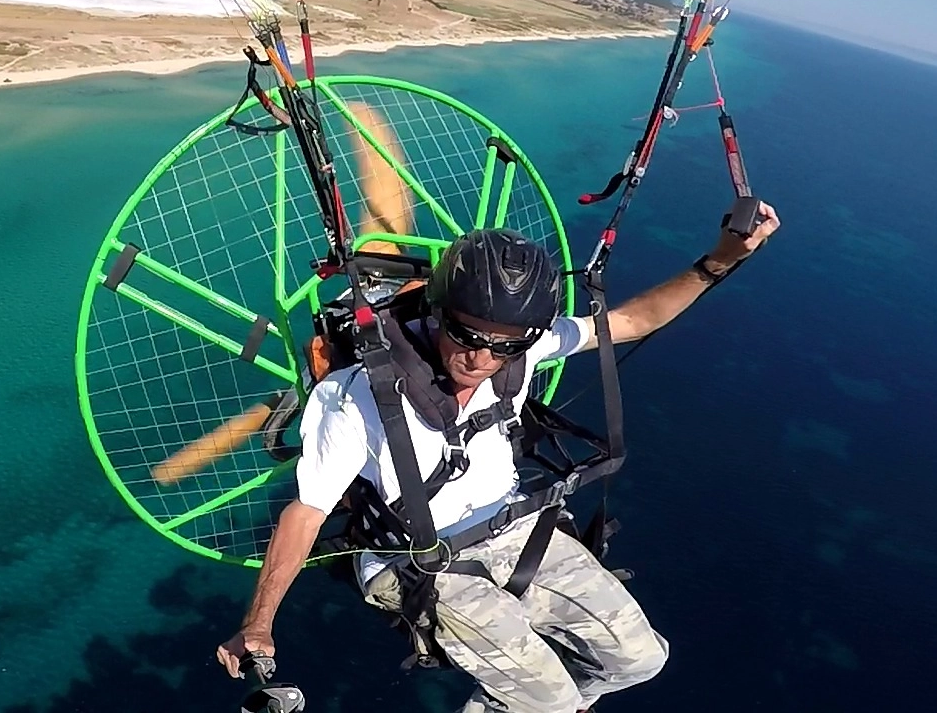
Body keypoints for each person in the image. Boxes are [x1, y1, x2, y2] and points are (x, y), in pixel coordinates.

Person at [216, 201, 781, 713]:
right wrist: (258, 623)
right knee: (552, 704)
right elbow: (307, 512)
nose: (483, 356)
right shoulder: (356, 393)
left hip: (514, 531)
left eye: (506, 344)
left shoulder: (525, 347)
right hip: (418, 559)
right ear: (439, 310)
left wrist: (720, 259)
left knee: (640, 661)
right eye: (466, 334)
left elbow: (635, 321)